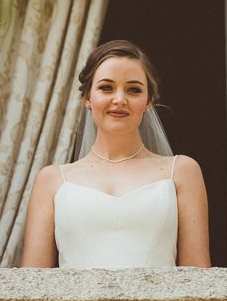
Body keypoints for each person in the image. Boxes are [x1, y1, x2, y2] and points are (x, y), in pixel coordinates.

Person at [21, 39, 211, 268]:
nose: (119, 99)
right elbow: (34, 282)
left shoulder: (181, 171)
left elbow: (198, 277)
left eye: (133, 89)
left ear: (148, 102)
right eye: (106, 87)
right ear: (88, 98)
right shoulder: (52, 180)